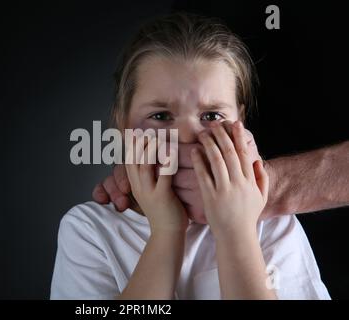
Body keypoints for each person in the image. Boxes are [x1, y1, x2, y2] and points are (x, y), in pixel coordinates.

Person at [51, 12, 331, 299]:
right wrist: (166, 231)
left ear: (240, 124)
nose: (186, 137)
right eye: (160, 115)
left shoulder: (271, 225)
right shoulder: (89, 231)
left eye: (211, 115)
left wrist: (235, 230)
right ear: (122, 124)